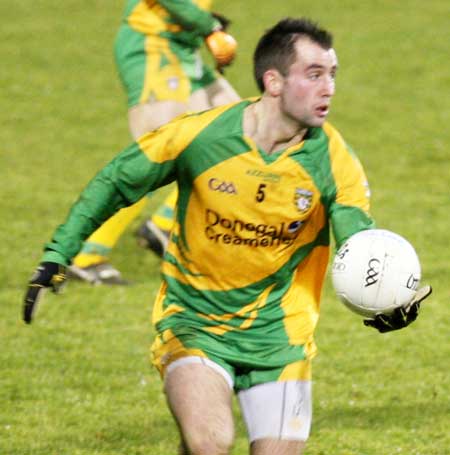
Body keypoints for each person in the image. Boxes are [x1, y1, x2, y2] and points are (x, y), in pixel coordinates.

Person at [23, 17, 431, 455]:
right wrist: (58, 254)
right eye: (314, 74)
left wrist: (386, 294)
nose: (329, 87)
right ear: (273, 81)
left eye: (333, 74)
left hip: (282, 340)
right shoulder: (201, 136)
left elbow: (357, 238)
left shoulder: (335, 160)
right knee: (211, 442)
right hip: (195, 323)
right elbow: (117, 181)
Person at [68, 0, 240, 285]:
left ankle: (162, 226)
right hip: (152, 46)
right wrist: (207, 25)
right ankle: (86, 255)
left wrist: (203, 26)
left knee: (240, 132)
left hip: (184, 47)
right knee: (153, 154)